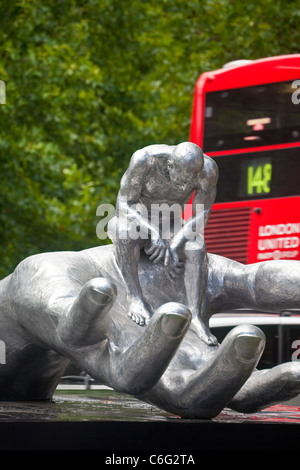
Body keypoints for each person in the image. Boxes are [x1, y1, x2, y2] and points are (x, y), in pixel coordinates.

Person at [108, 142, 219, 345]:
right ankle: (135, 298)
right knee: (125, 233)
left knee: (197, 247)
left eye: (191, 180)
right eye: (182, 178)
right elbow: (123, 204)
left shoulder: (208, 170)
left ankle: (194, 314)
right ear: (169, 165)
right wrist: (152, 233)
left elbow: (201, 213)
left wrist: (175, 244)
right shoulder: (145, 160)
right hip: (138, 219)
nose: (186, 185)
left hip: (171, 224)